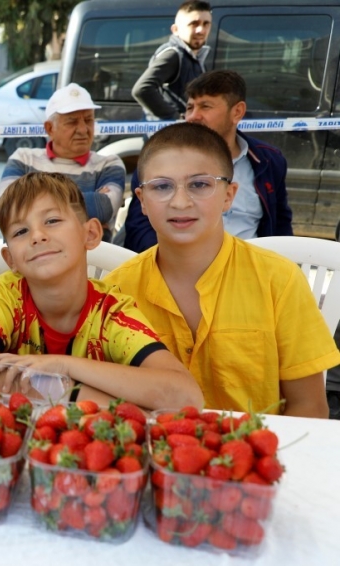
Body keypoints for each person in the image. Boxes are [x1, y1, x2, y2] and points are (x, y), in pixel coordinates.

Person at [105, 122, 340, 417]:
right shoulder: (116, 291)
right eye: (162, 186)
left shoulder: (278, 280)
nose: (180, 201)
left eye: (200, 184)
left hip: (256, 453)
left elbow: (309, 406)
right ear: (141, 201)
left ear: (229, 195)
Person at [0, 172, 202, 410]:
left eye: (52, 221)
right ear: (11, 260)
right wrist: (72, 391)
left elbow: (185, 396)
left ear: (91, 234)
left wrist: (63, 365)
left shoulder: (111, 312)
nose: (38, 236)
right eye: (21, 231)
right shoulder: (6, 295)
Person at [124, 69, 293, 252]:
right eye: (190, 107)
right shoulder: (159, 161)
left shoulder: (268, 161)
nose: (193, 116)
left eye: (205, 106)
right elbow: (138, 231)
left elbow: (280, 225)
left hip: (249, 270)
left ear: (237, 112)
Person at [0, 83, 125, 241]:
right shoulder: (23, 159)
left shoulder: (109, 164)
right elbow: (7, 208)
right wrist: (88, 203)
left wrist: (31, 205)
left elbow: (104, 207)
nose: (83, 129)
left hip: (92, 261)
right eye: (72, 122)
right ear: (50, 128)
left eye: (88, 120)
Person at [132, 1, 212, 121]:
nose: (201, 30)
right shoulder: (173, 55)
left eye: (206, 24)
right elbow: (142, 89)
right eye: (194, 24)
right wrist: (176, 118)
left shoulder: (195, 56)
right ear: (175, 30)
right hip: (170, 135)